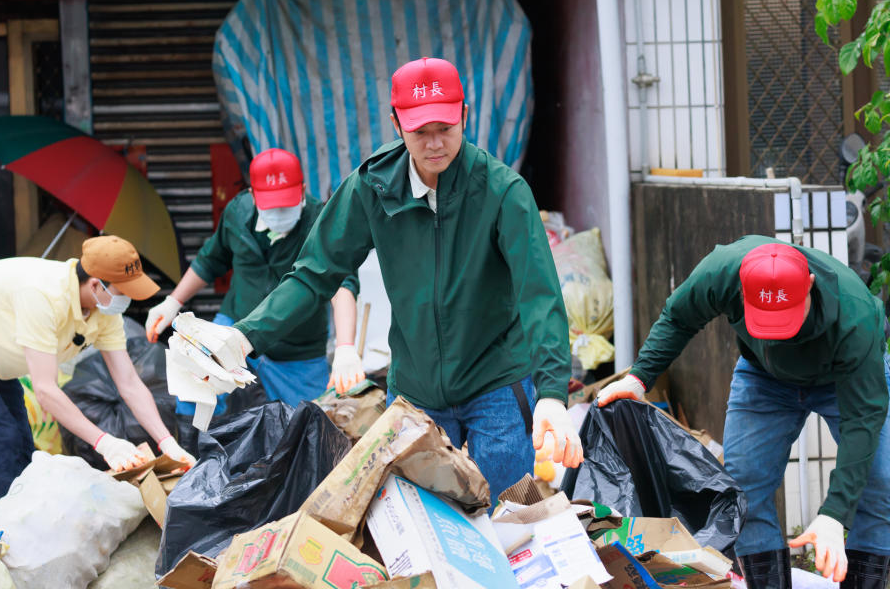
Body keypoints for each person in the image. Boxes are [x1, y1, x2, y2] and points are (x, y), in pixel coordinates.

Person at [203, 57, 583, 503]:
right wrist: (245, 338)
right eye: (420, 131)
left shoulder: (502, 192)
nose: (435, 143)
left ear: (465, 114)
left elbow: (539, 297)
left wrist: (553, 394)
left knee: (511, 515)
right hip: (416, 390)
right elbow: (313, 274)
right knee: (424, 523)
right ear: (396, 123)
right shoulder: (373, 186)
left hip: (496, 383)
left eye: (445, 127)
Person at [597, 235, 890, 588]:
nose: (779, 337)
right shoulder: (723, 272)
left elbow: (863, 420)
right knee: (744, 488)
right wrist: (640, 377)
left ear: (809, 285)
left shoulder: (855, 314)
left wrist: (833, 516)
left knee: (879, 482)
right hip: (764, 378)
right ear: (742, 292)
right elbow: (679, 318)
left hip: (841, 379)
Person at [0, 235, 195, 516]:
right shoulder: (42, 296)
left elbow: (129, 382)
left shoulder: (104, 312)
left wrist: (167, 443)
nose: (127, 300)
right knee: (0, 440)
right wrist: (105, 443)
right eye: (123, 292)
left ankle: (22, 525)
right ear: (96, 284)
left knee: (21, 441)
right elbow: (46, 390)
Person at [145, 147, 362, 408]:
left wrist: (345, 346)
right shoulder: (237, 213)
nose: (280, 212)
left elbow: (342, 285)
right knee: (196, 393)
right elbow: (210, 260)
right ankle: (192, 448)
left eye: (287, 203)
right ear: (252, 194)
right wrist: (172, 303)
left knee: (310, 422)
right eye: (272, 206)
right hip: (234, 325)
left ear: (303, 189)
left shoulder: (322, 222)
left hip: (296, 346)